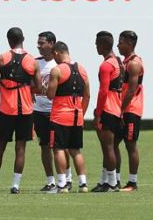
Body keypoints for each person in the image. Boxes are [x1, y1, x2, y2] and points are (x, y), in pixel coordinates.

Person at [0, 27, 41, 194]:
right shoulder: (32, 61)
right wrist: (26, 88)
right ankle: (15, 186)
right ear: (23, 39)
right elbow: (39, 87)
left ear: (8, 40)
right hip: (26, 111)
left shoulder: (1, 59)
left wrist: (7, 85)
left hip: (7, 110)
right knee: (21, 148)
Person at [46, 41, 90, 194]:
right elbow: (87, 95)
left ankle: (62, 184)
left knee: (58, 149)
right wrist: (81, 114)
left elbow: (50, 95)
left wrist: (47, 87)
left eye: (53, 55)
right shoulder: (82, 69)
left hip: (60, 116)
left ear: (57, 53)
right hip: (77, 115)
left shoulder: (57, 70)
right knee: (75, 150)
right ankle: (83, 183)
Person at [33, 31, 73, 192]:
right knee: (44, 146)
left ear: (51, 44)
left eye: (42, 43)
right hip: (39, 110)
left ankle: (67, 178)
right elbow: (29, 82)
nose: (39, 46)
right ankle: (50, 180)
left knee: (62, 147)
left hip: (56, 112)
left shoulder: (60, 66)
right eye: (38, 43)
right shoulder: (35, 62)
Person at [91, 31, 125, 192]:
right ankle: (107, 181)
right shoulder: (119, 61)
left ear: (103, 45)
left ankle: (111, 184)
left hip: (108, 108)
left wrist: (98, 113)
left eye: (97, 44)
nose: (95, 46)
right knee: (111, 147)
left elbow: (103, 91)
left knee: (108, 147)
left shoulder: (106, 65)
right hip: (117, 108)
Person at [115, 30, 144, 192]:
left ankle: (132, 183)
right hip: (121, 109)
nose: (118, 45)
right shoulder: (125, 62)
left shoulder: (134, 63)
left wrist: (120, 109)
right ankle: (115, 180)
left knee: (130, 145)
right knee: (113, 144)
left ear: (130, 44)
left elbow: (131, 91)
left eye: (121, 42)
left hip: (130, 109)